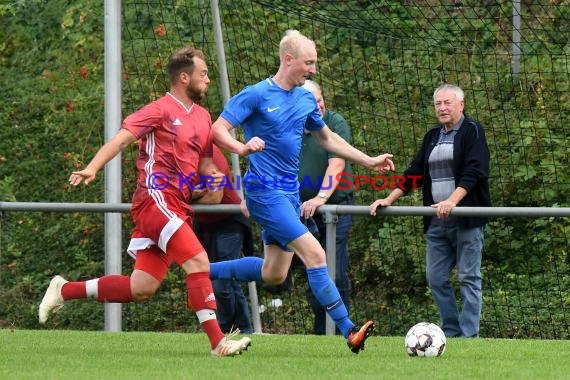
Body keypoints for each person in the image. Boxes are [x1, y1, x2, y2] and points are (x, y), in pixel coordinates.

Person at [38, 46, 251, 356]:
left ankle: (63, 289)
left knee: (142, 287)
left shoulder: (204, 117)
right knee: (199, 261)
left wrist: (216, 176)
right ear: (183, 77)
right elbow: (122, 139)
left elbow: (205, 164)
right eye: (203, 74)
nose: (207, 80)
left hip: (177, 206)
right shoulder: (159, 109)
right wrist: (93, 167)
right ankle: (218, 342)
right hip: (154, 199)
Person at [209, 29, 395, 354]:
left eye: (315, 63)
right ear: (288, 59)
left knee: (274, 273)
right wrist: (241, 147)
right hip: (264, 193)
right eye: (308, 63)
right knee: (316, 255)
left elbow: (326, 139)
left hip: (289, 195)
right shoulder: (256, 95)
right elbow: (217, 129)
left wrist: (368, 160)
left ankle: (199, 269)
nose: (313, 70)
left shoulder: (306, 98)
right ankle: (349, 331)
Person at [370, 84, 491, 338]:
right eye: (438, 104)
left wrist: (453, 201)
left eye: (448, 103)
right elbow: (415, 174)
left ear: (461, 104)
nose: (443, 108)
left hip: (466, 220)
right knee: (435, 278)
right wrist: (388, 199)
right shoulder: (432, 136)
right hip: (437, 222)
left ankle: (469, 337)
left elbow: (475, 172)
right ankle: (451, 332)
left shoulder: (472, 131)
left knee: (469, 277)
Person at [298, 79, 354, 335]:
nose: (317, 106)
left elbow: (337, 164)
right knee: (312, 273)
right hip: (301, 212)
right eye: (311, 102)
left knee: (335, 272)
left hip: (335, 210)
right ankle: (322, 331)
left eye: (319, 100)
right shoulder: (292, 123)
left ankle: (341, 330)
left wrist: (320, 198)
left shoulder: (334, 122)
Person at [192, 145, 254, 334]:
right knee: (228, 281)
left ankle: (223, 329)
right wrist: (191, 194)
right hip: (203, 225)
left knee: (221, 282)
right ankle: (245, 329)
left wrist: (186, 198)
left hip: (229, 222)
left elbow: (214, 198)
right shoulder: (177, 157)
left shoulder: (211, 156)